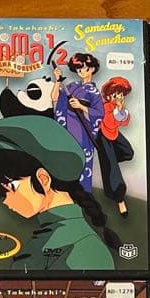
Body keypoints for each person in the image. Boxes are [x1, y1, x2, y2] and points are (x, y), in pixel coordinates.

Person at [0, 115, 121, 271]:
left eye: (11, 188)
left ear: (43, 179)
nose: (6, 202)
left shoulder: (82, 249)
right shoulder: (56, 238)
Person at [52, 53, 103, 193]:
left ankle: (83, 197)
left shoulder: (94, 93)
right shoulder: (72, 86)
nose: (81, 72)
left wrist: (81, 106)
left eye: (85, 68)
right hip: (68, 128)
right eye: (78, 69)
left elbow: (99, 113)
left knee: (82, 164)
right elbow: (55, 97)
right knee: (66, 162)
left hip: (83, 131)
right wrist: (57, 81)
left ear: (92, 69)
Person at [95, 77, 134, 216]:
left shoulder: (117, 107)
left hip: (113, 134)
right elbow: (111, 123)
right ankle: (120, 200)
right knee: (113, 170)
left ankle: (109, 162)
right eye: (116, 94)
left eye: (122, 94)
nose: (120, 97)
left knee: (128, 153)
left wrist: (120, 109)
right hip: (103, 135)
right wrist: (119, 110)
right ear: (109, 95)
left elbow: (125, 122)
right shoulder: (106, 107)